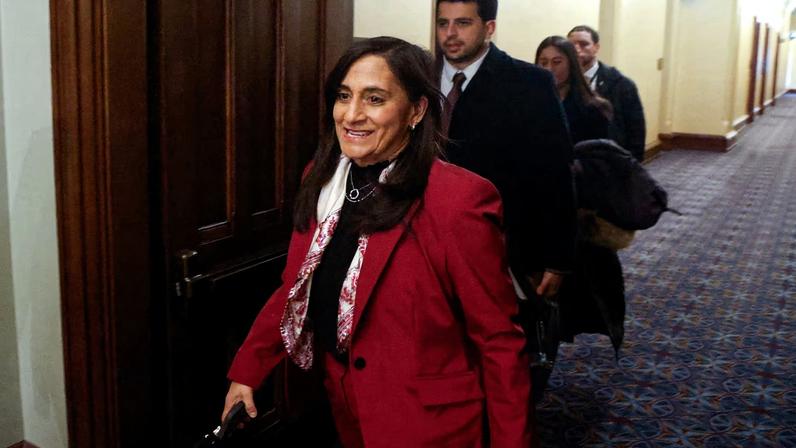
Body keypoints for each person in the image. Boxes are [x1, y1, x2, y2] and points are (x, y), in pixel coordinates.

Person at [220, 37, 533, 447]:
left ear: (416, 111)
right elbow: (297, 283)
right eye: (344, 96)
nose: (352, 115)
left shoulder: (457, 200)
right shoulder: (323, 178)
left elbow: (498, 341)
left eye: (375, 99)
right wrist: (247, 371)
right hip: (346, 404)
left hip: (429, 423)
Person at [436, 0, 576, 301]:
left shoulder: (529, 83)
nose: (450, 33)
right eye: (442, 23)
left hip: (501, 244)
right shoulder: (416, 78)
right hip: (425, 243)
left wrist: (557, 257)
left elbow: (555, 173)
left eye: (462, 23)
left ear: (489, 28)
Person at [568, 25, 647, 161]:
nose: (576, 49)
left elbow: (636, 129)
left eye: (584, 44)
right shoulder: (561, 80)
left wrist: (633, 164)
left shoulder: (621, 84)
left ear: (596, 47)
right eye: (571, 45)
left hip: (610, 159)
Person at [535, 35, 612, 144]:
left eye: (556, 62)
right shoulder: (530, 104)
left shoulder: (594, 108)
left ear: (571, 64)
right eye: (543, 63)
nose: (549, 69)